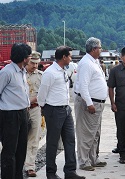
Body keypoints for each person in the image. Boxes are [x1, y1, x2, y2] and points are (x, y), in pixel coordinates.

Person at [37, 46, 85, 179]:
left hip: (65, 109)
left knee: (70, 140)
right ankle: (51, 173)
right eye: (69, 56)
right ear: (64, 57)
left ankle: (70, 171)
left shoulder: (63, 71)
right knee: (52, 142)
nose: (71, 58)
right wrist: (44, 108)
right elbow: (42, 94)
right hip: (53, 110)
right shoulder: (50, 73)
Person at [74, 37, 108, 171]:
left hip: (97, 103)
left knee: (95, 133)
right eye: (99, 47)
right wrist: (89, 103)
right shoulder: (87, 63)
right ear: (94, 49)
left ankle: (93, 158)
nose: (101, 50)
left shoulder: (94, 61)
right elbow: (83, 86)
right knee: (86, 133)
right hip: (90, 104)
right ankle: (83, 161)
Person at [0, 43, 32, 179]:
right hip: (9, 115)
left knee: (21, 150)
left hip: (22, 113)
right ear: (24, 58)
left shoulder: (22, 71)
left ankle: (18, 176)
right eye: (29, 56)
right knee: (9, 151)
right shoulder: (7, 72)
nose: (31, 58)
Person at [24, 51, 43, 177]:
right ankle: (20, 162)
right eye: (32, 63)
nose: (35, 66)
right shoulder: (20, 74)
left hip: (35, 108)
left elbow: (42, 93)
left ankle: (30, 166)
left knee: (34, 138)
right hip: (20, 109)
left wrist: (30, 101)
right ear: (27, 61)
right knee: (20, 138)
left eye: (37, 63)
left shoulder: (41, 76)